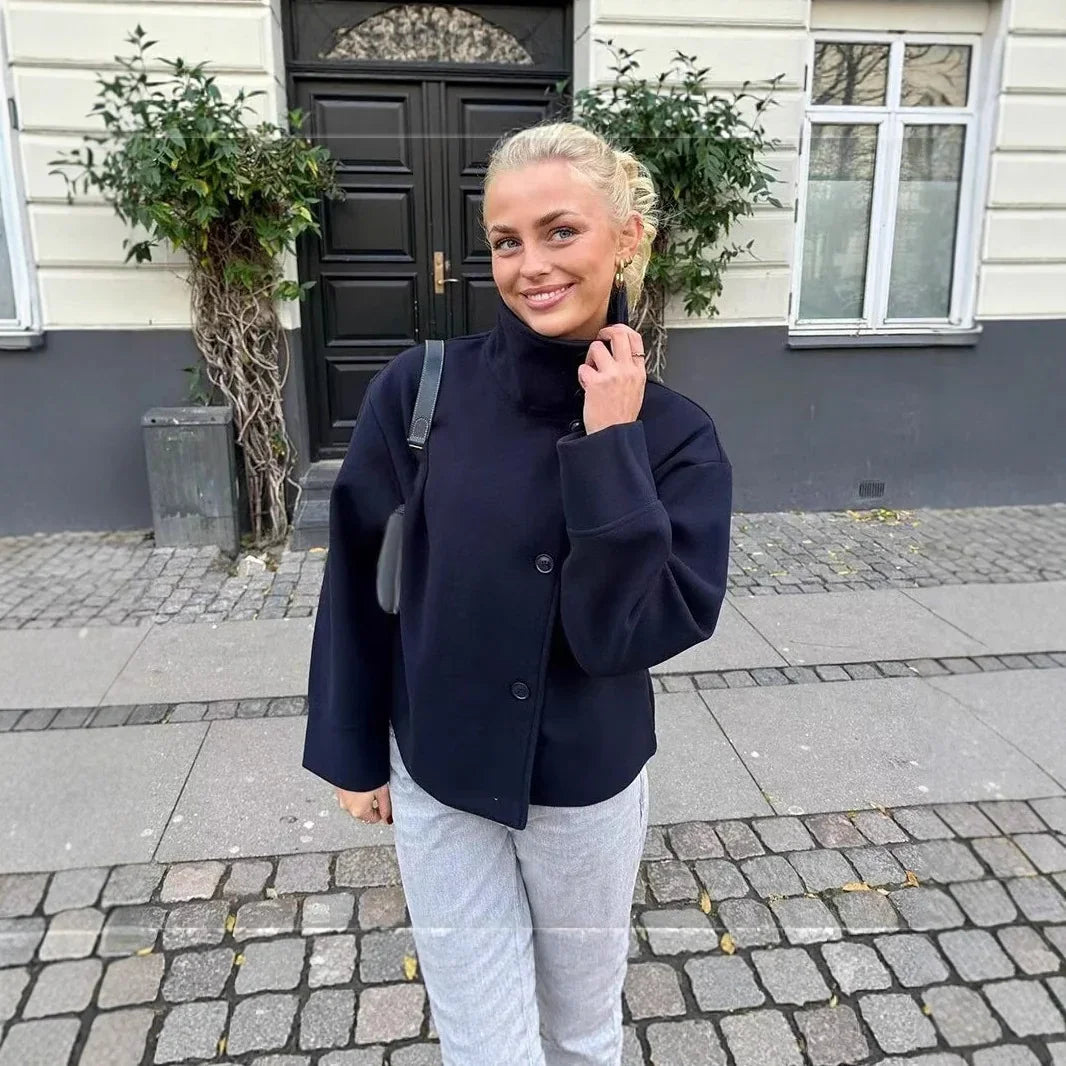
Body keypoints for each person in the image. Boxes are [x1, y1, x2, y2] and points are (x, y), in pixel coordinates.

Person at [303, 120, 733, 1065]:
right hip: (439, 772)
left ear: (627, 236)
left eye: (560, 231)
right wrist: (352, 749)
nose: (530, 265)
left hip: (585, 787)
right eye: (506, 241)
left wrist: (610, 446)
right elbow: (359, 580)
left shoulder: (675, 436)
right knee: (484, 1046)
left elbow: (626, 635)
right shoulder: (419, 390)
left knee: (581, 1033)